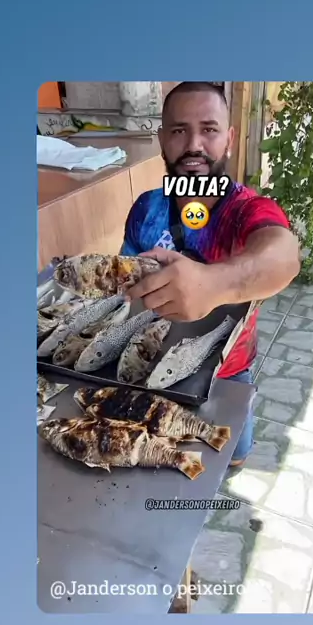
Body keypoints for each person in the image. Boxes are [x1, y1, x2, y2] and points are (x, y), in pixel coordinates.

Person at [121, 82, 300, 466]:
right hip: (152, 364)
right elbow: (124, 284)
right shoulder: (146, 209)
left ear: (229, 139)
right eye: (179, 130)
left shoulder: (246, 210)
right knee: (163, 463)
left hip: (227, 371)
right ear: (162, 140)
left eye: (209, 129)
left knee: (232, 456)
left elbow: (283, 256)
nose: (194, 145)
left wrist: (212, 283)